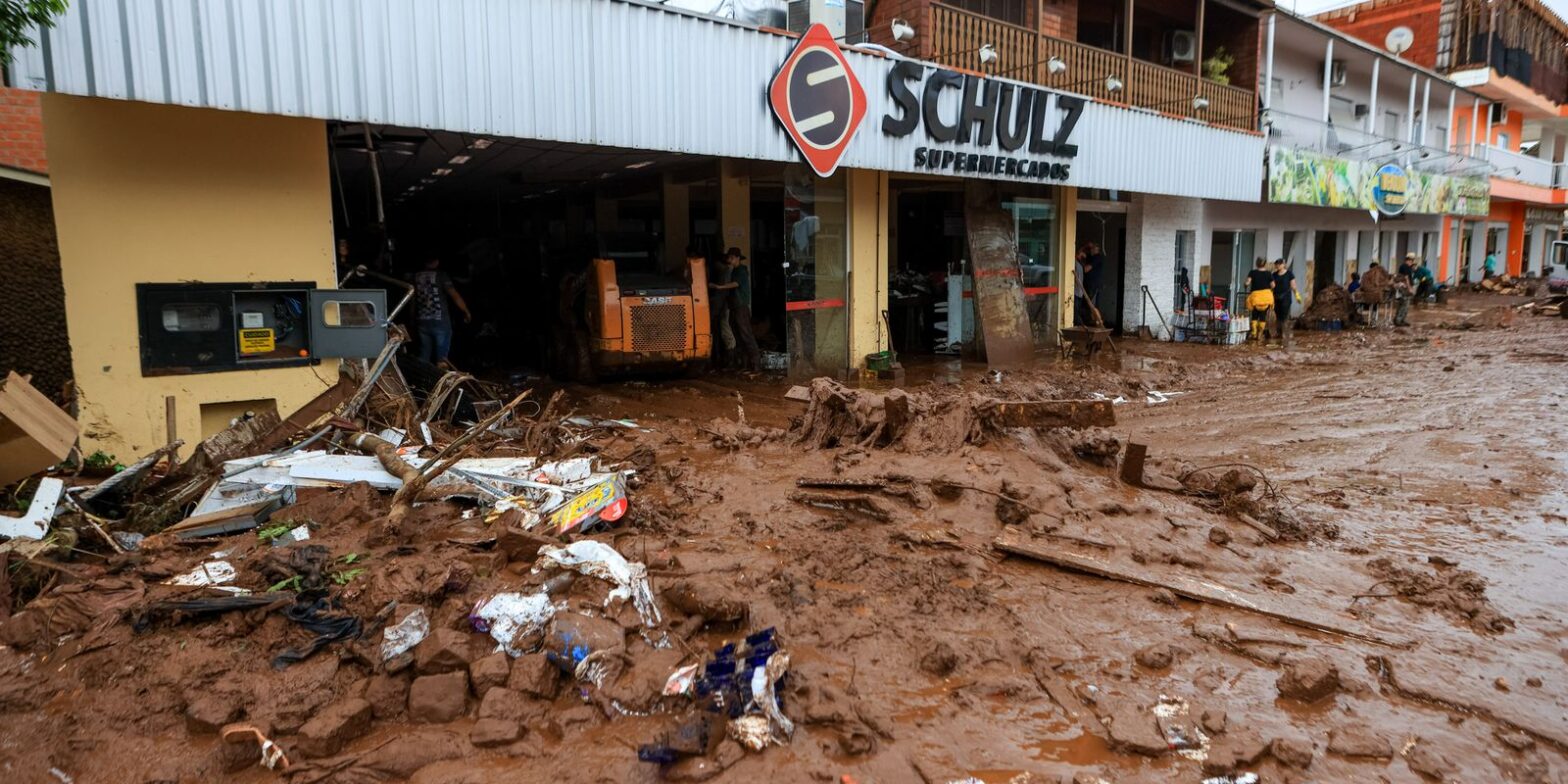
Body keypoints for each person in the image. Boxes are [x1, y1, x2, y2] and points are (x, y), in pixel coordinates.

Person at [412, 256, 471, 366]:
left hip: (422, 320)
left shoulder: (416, 276)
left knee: (424, 355)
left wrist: (412, 317)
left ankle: (420, 379)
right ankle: (442, 380)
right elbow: (455, 296)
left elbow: (413, 299)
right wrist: (466, 311)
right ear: (436, 262)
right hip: (440, 321)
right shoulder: (441, 275)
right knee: (442, 359)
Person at [720, 247, 761, 370]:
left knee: (746, 335)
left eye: (731, 257)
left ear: (738, 258)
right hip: (735, 306)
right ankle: (745, 365)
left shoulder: (741, 271)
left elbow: (736, 284)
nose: (729, 259)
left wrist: (720, 287)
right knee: (739, 336)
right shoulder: (735, 271)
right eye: (729, 257)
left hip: (740, 307)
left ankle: (755, 365)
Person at [1271, 259, 1299, 341]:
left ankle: (1284, 333)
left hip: (1285, 297)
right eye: (1276, 264)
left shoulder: (1289, 274)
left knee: (1284, 315)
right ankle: (1278, 332)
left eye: (1279, 264)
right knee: (1278, 315)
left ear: (1284, 265)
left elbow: (1293, 285)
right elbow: (1272, 286)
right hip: (1276, 297)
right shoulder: (1274, 274)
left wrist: (1296, 294)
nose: (1278, 266)